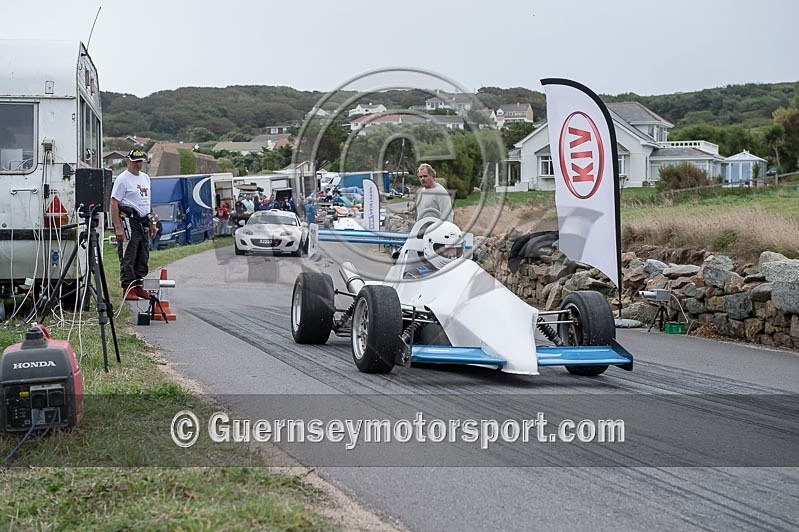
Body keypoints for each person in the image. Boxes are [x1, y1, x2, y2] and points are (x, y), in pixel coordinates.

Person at [110, 149, 157, 300]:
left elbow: (148, 201)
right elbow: (114, 202)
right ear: (127, 161)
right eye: (135, 161)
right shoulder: (122, 179)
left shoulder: (145, 178)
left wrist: (153, 223)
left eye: (140, 161)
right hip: (129, 220)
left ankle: (138, 285)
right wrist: (118, 227)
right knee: (129, 254)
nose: (138, 164)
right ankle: (127, 287)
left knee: (142, 254)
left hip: (143, 220)